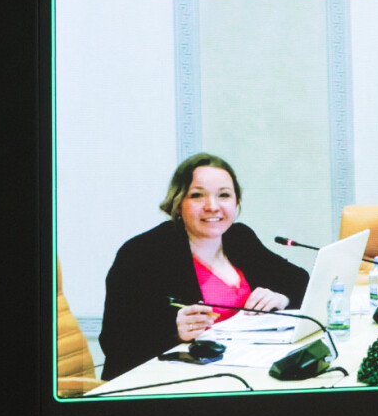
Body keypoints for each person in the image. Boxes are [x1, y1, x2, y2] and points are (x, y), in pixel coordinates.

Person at [96, 153, 310, 380]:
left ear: (236, 202)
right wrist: (173, 332)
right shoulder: (143, 253)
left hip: (242, 372)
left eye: (224, 195)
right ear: (178, 203)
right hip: (168, 383)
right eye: (197, 196)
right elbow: (115, 341)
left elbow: (301, 281)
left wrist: (282, 298)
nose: (212, 206)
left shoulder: (239, 238)